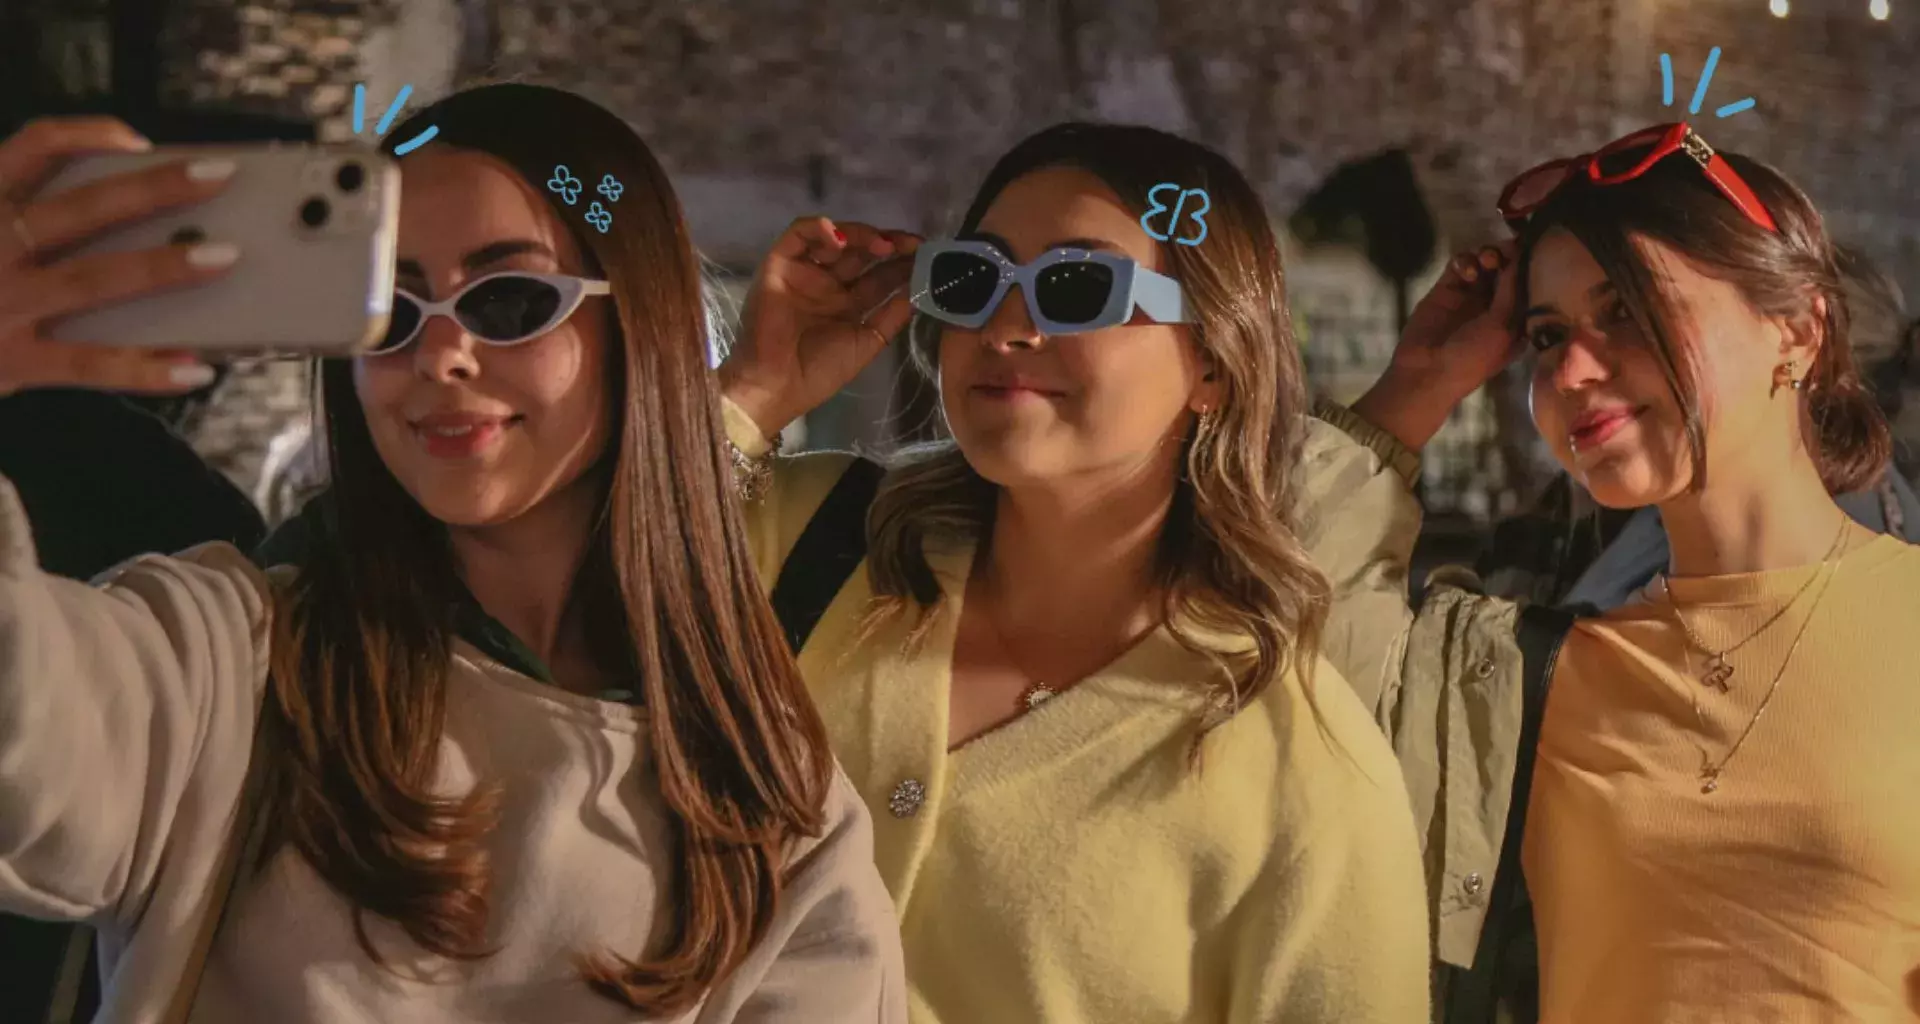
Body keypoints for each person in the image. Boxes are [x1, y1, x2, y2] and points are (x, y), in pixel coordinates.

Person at [0, 86, 905, 1023]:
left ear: (641, 327)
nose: (440, 354)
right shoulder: (239, 664)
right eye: (386, 312)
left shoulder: (769, 804)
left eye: (510, 299)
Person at [714, 122, 1430, 1022]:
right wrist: (753, 391)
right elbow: (537, 623)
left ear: (1213, 360)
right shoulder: (810, 540)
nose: (1008, 326)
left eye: (1080, 287)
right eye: (975, 280)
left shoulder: (1301, 765)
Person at [1335, 122, 1920, 1021]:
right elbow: (1252, 626)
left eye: (1628, 311)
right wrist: (1416, 388)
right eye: (1544, 334)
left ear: (1798, 328)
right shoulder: (1524, 674)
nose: (1570, 367)